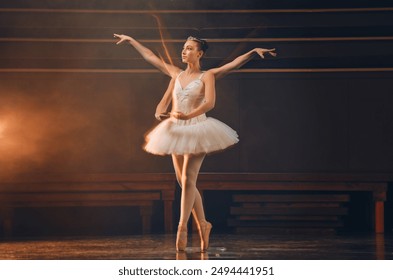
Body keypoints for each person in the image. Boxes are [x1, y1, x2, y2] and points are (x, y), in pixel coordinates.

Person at [114, 34, 276, 252]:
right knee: (183, 182)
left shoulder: (206, 76)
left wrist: (252, 52)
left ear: (199, 53)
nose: (184, 51)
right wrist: (132, 40)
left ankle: (182, 228)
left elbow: (214, 94)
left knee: (189, 179)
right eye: (184, 47)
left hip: (198, 128)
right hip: (175, 129)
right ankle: (203, 223)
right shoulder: (176, 74)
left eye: (189, 48)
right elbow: (151, 57)